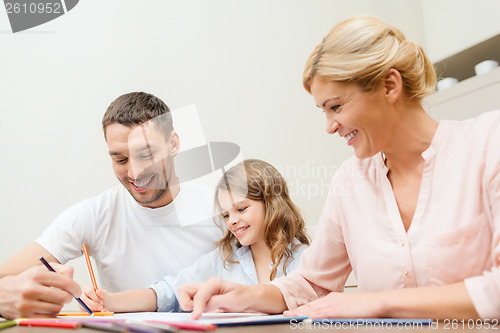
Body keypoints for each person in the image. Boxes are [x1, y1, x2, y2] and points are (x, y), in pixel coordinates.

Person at [178, 16, 500, 320]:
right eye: (323, 111)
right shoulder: (350, 180)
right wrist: (245, 296)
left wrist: (375, 303)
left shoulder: (487, 146)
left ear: (389, 86)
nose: (330, 127)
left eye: (336, 107)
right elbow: (311, 284)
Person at [0, 92, 222, 318]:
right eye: (120, 160)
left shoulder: (223, 211)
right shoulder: (95, 215)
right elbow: (4, 279)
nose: (134, 173)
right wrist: (9, 298)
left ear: (173, 144)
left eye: (145, 155)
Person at [80, 159, 310, 313]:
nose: (232, 221)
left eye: (241, 209)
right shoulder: (225, 259)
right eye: (226, 214)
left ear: (272, 203)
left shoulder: (307, 259)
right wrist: (108, 301)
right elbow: (167, 292)